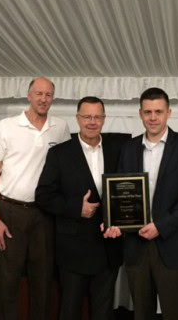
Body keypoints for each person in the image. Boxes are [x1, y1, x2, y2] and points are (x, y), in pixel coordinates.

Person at [104, 87, 178, 320]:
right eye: (148, 112)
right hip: (135, 245)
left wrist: (161, 225)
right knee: (141, 312)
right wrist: (112, 220)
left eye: (158, 111)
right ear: (140, 113)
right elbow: (119, 193)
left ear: (168, 113)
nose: (153, 117)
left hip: (173, 244)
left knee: (175, 313)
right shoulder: (128, 148)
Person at [0, 77, 70, 320]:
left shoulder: (61, 128)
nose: (44, 99)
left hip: (45, 214)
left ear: (53, 98)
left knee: (43, 279)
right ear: (29, 95)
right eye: (39, 93)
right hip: (10, 212)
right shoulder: (7, 126)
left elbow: (66, 169)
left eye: (49, 95)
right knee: (8, 280)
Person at [35, 96, 123, 320]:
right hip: (72, 249)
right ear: (77, 118)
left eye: (97, 117)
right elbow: (43, 196)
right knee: (70, 310)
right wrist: (76, 208)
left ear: (104, 119)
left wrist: (120, 220)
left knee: (103, 312)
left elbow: (124, 193)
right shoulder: (59, 153)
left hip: (108, 247)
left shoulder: (118, 150)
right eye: (86, 117)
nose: (91, 122)